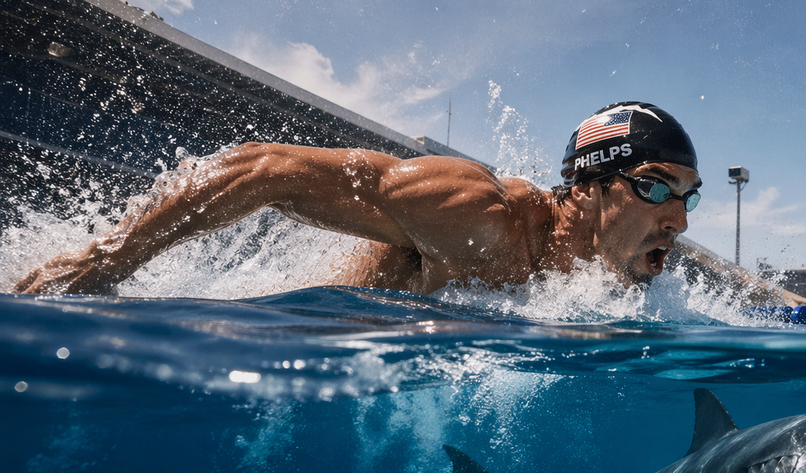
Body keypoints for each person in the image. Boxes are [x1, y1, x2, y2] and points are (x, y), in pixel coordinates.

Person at [13, 102, 702, 296]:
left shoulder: (618, 283)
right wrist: (106, 263)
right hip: (306, 345)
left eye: (687, 199)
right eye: (654, 188)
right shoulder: (479, 215)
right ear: (586, 189)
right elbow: (265, 166)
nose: (674, 217)